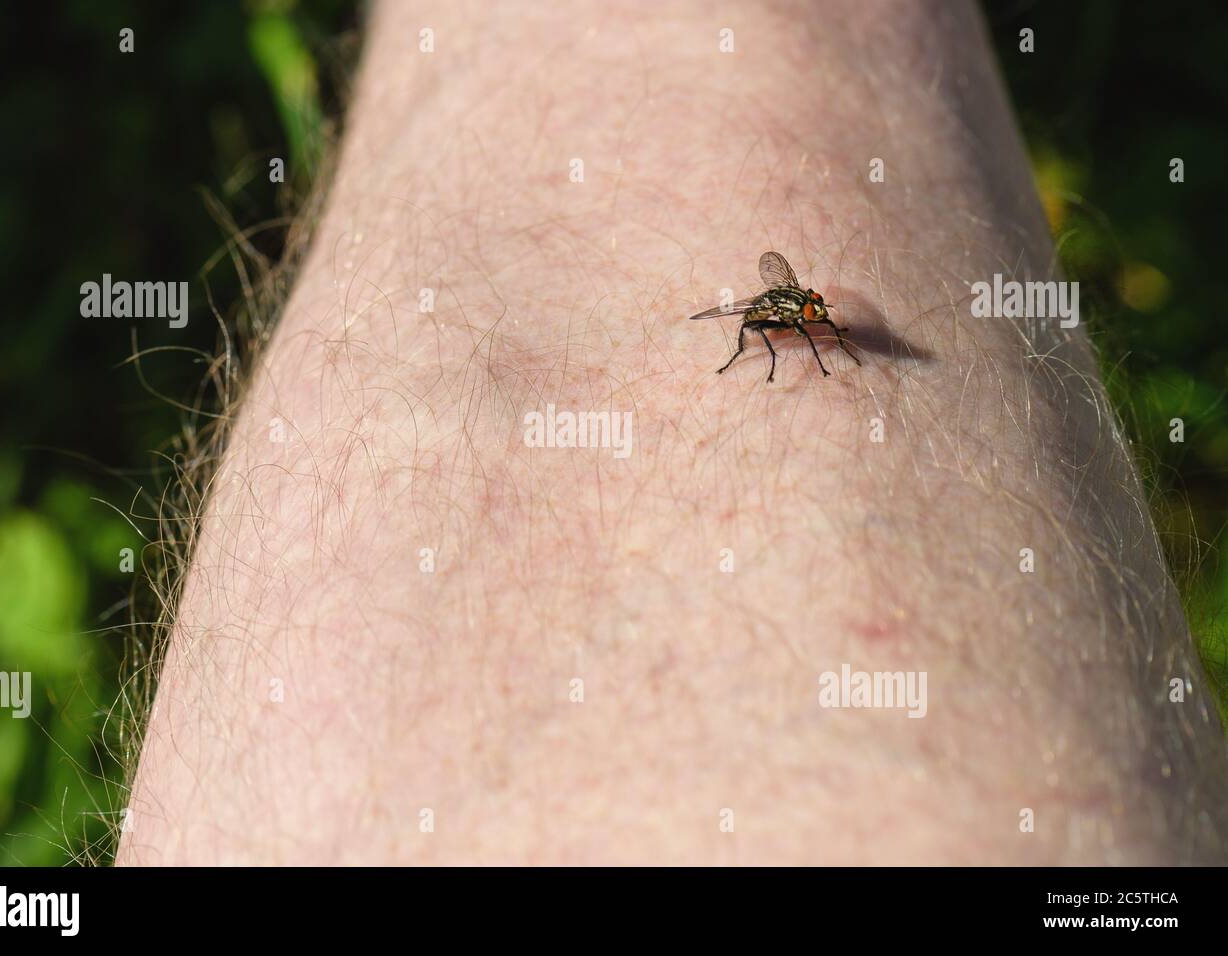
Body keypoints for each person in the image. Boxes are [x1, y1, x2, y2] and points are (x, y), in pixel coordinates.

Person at [117, 0, 1228, 864]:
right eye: (810, 322)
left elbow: (798, 299)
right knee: (744, 336)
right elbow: (776, 310)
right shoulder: (782, 324)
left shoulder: (809, 312)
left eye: (811, 321)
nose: (814, 326)